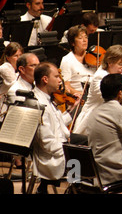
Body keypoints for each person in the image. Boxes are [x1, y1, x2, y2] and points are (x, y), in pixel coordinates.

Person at [32, 62, 87, 194]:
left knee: (86, 141)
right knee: (85, 152)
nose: (60, 80)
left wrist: (72, 109)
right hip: (50, 156)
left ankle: (76, 187)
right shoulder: (38, 103)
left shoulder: (46, 98)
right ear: (45, 79)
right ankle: (76, 188)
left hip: (59, 143)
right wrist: (68, 149)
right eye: (56, 76)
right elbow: (47, 143)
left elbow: (57, 122)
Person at [72, 45, 122, 135]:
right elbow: (110, 98)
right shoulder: (100, 76)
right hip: (92, 121)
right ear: (109, 62)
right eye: (120, 64)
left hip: (111, 119)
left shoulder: (120, 73)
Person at [59, 25, 96, 97]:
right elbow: (66, 87)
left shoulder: (94, 57)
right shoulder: (67, 60)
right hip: (79, 98)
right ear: (73, 43)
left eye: (86, 37)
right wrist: (83, 95)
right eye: (80, 38)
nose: (85, 40)